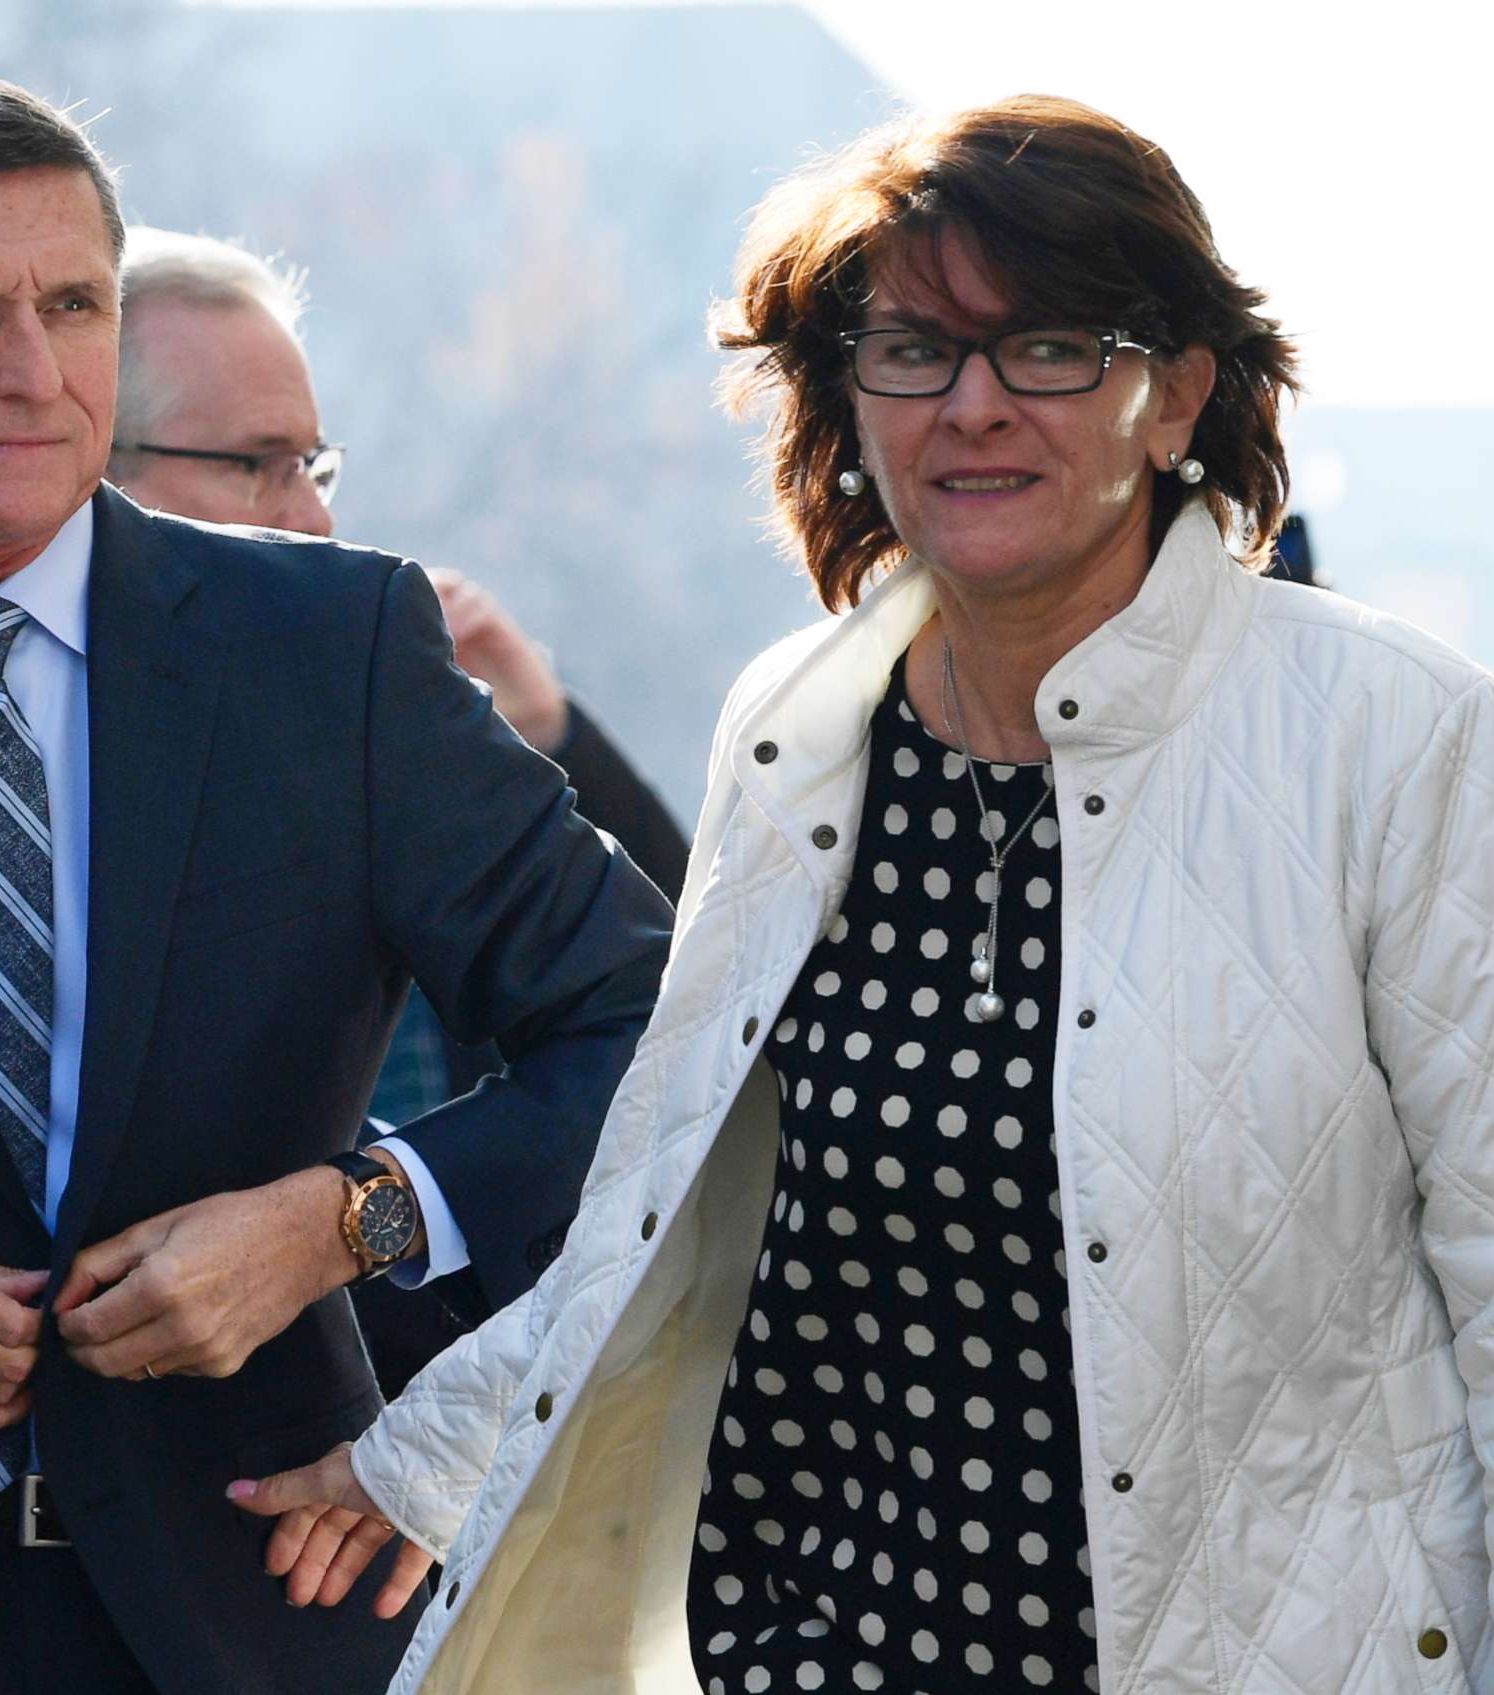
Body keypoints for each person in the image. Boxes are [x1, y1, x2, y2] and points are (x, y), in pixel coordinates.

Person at [233, 94, 1494, 1695]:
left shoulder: (1392, 735)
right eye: (912, 351)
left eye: (1047, 348)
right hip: (818, 1651)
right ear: (847, 402)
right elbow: (671, 1198)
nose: (973, 405)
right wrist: (418, 1457)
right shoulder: (803, 726)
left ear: (1175, 395)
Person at [0, 73, 672, 1695]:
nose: (31, 371)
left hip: (261, 1608)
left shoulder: (329, 652)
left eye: (72, 305)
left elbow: (657, 1020)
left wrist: (342, 1220)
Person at [105, 226, 692, 1393]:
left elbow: (672, 1009)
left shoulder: (369, 696)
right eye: (256, 463)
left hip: (419, 1427)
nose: (310, 516)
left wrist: (553, 741)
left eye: (314, 466)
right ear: (86, 456)